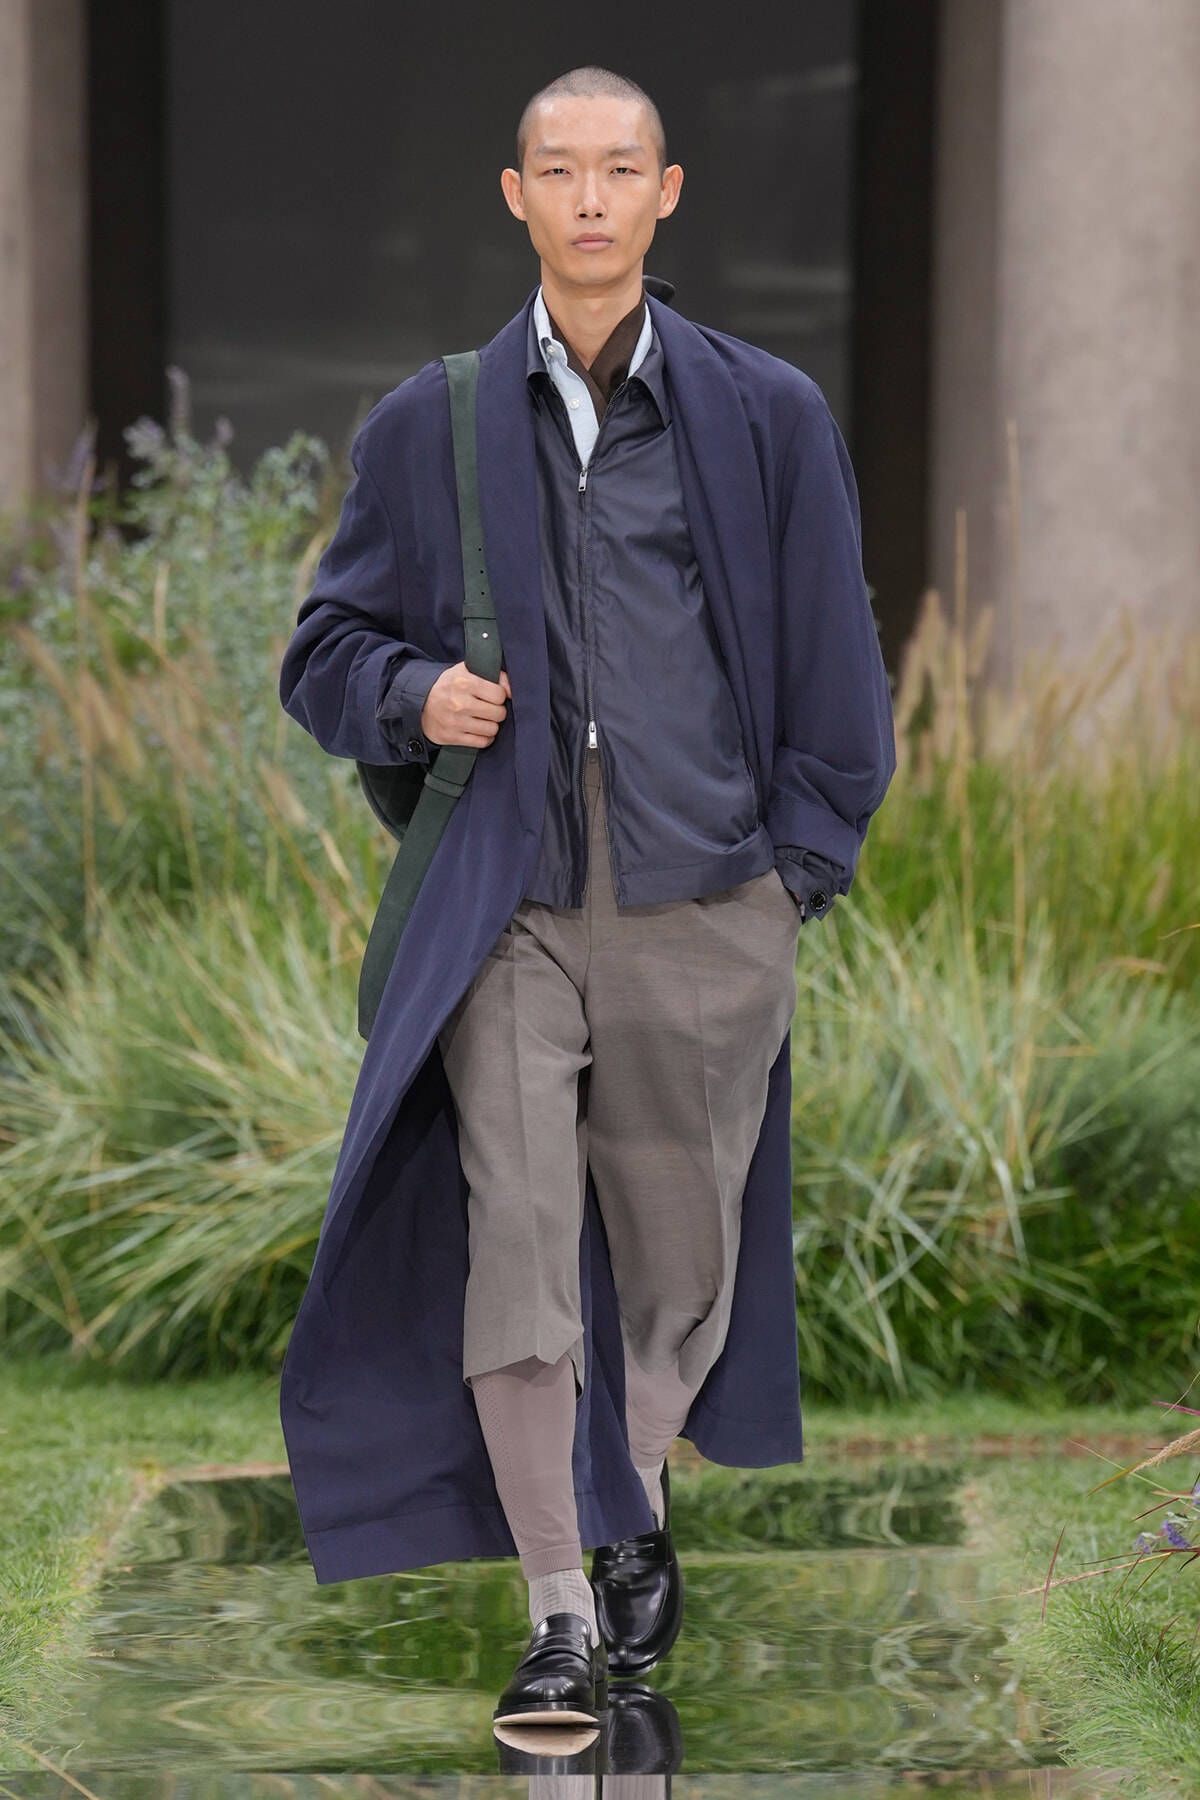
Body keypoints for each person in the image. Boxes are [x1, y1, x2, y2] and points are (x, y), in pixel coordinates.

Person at [277, 65, 896, 1741]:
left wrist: (795, 877)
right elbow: (324, 654)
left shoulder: (765, 411)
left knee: (680, 1281)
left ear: (669, 192)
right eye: (564, 170)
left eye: (623, 169)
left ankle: (627, 1490)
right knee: (523, 1240)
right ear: (518, 195)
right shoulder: (435, 420)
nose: (595, 197)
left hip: (712, 899)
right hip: (515, 911)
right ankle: (558, 1605)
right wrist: (414, 698)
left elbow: (840, 662)